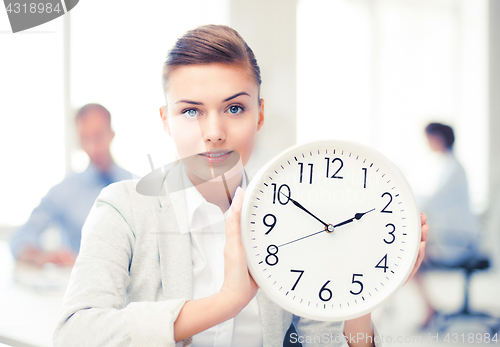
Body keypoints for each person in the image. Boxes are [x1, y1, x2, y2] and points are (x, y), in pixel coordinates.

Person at [53, 25, 429, 346]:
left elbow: (324, 338)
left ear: (259, 114)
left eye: (234, 108)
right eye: (190, 111)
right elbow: (76, 332)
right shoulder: (124, 208)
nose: (214, 133)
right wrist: (227, 301)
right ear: (166, 120)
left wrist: (362, 300)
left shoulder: (297, 214)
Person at [9, 103, 131, 267]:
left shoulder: (137, 187)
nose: (92, 147)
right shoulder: (64, 191)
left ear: (111, 135)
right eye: (85, 139)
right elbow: (21, 236)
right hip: (76, 286)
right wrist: (40, 257)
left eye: (98, 136)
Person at [415, 122, 479, 328]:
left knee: (412, 259)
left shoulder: (453, 169)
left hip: (457, 241)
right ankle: (430, 308)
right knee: (414, 257)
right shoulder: (450, 167)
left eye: (429, 138)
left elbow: (432, 201)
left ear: (439, 138)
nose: (427, 143)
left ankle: (430, 309)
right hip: (455, 237)